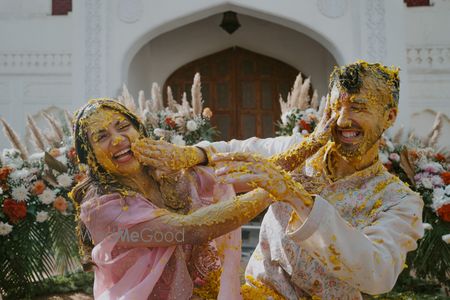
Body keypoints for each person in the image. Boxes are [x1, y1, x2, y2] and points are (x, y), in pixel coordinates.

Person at [132, 61, 424, 299]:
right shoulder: (299, 152)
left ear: (390, 117)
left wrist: (294, 195)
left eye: (358, 108)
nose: (342, 120)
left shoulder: (399, 200)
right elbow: (242, 151)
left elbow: (377, 273)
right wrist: (190, 155)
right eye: (336, 108)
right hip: (259, 293)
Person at [70, 98, 275, 299]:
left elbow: (235, 175)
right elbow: (195, 229)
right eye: (102, 136)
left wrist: (290, 166)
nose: (117, 139)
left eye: (123, 126)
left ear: (139, 130)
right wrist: (275, 189)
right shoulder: (101, 208)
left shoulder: (172, 173)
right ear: (90, 156)